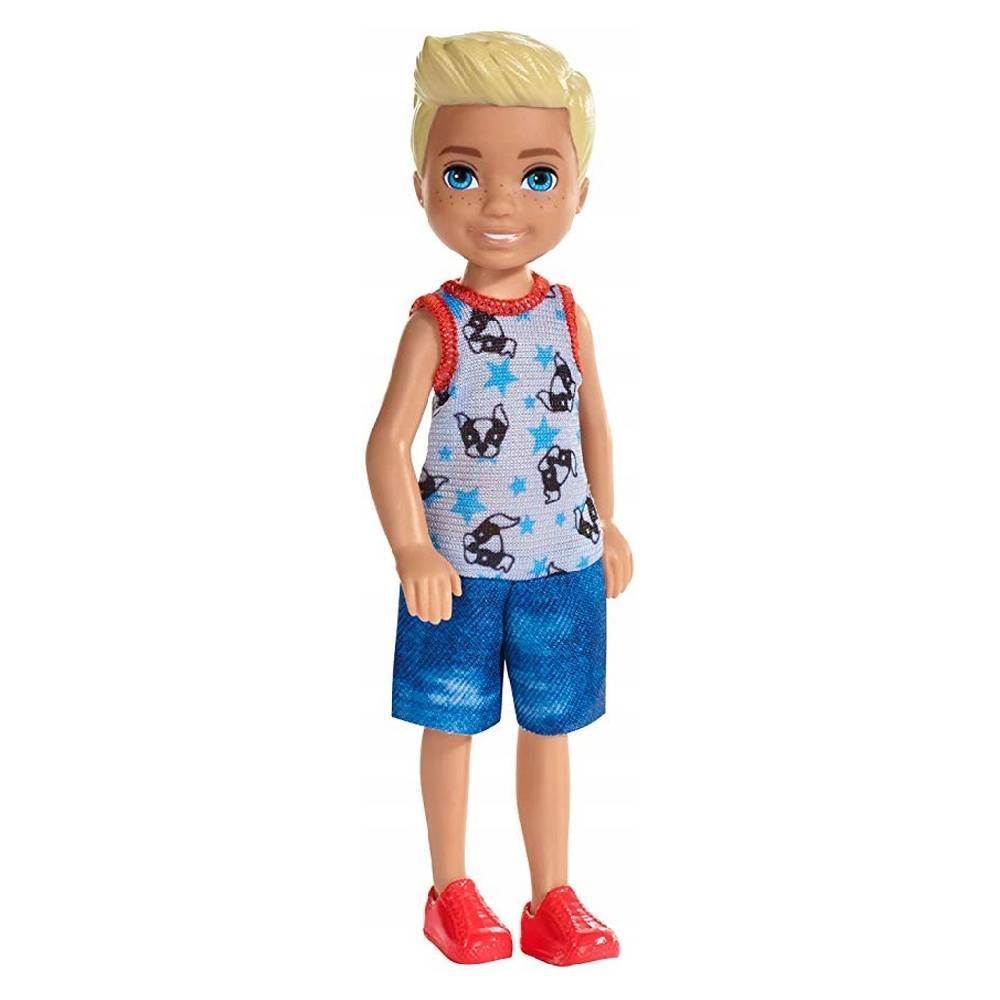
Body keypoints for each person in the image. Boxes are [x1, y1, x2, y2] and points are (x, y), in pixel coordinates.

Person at [365, 30, 634, 967]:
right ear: (422, 185)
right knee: (452, 721)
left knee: (550, 729)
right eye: (463, 173)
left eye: (538, 176)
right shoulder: (435, 322)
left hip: (563, 562)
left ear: (580, 191)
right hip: (457, 573)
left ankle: (550, 893)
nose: (500, 203)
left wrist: (611, 520)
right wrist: (411, 548)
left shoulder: (567, 314)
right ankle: (450, 889)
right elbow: (386, 442)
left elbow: (594, 423)